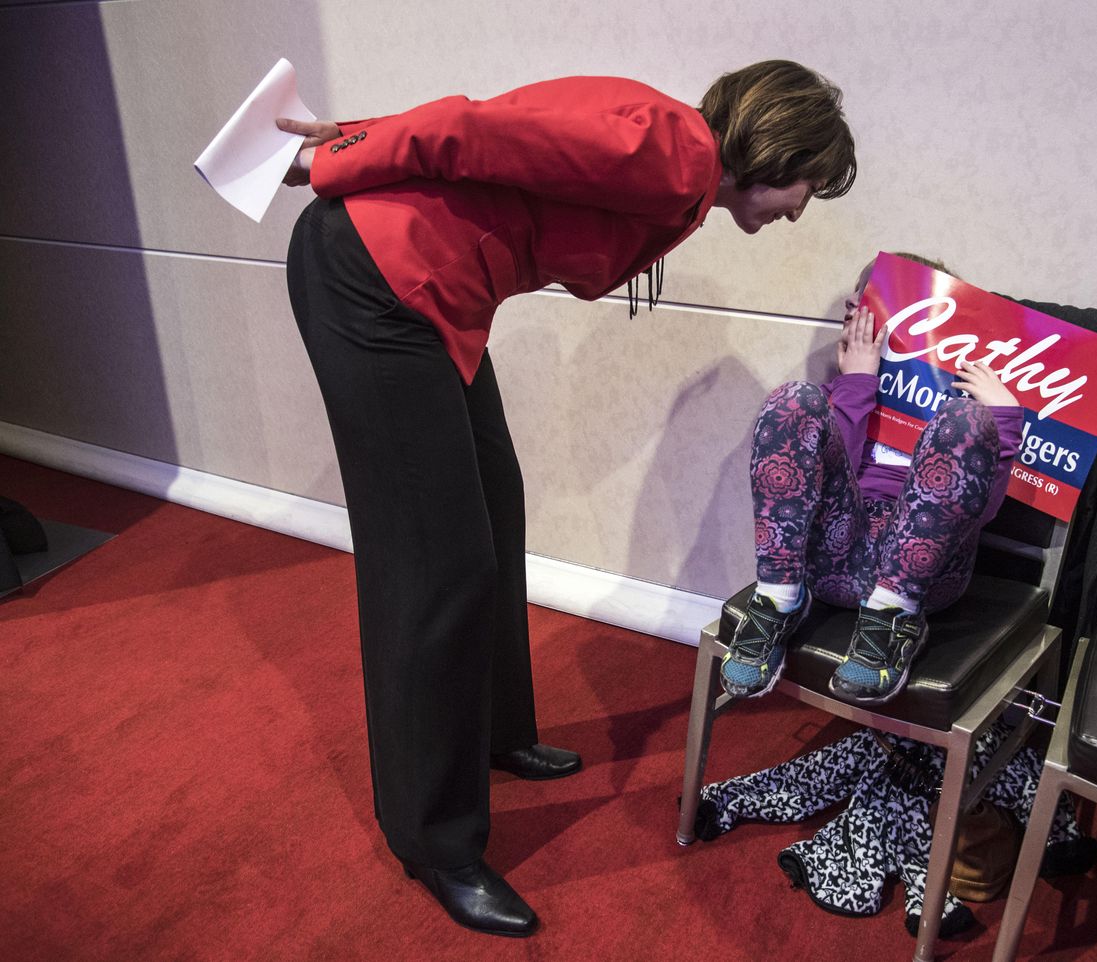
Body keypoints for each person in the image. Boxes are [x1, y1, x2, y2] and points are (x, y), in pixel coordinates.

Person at [279, 61, 857, 937]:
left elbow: (491, 129)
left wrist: (355, 134)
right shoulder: (672, 153)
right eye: (809, 188)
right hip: (376, 287)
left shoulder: (674, 152)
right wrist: (335, 158)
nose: (797, 212)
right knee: (436, 569)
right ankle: (435, 840)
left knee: (495, 509)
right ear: (781, 147)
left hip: (431, 302)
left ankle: (497, 733)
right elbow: (469, 130)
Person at [720, 254, 1024, 705]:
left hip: (927, 578)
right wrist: (858, 384)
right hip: (833, 560)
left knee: (966, 419)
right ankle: (778, 599)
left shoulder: (963, 404)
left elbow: (985, 511)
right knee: (793, 399)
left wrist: (1002, 418)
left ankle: (892, 618)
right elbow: (815, 483)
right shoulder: (841, 393)